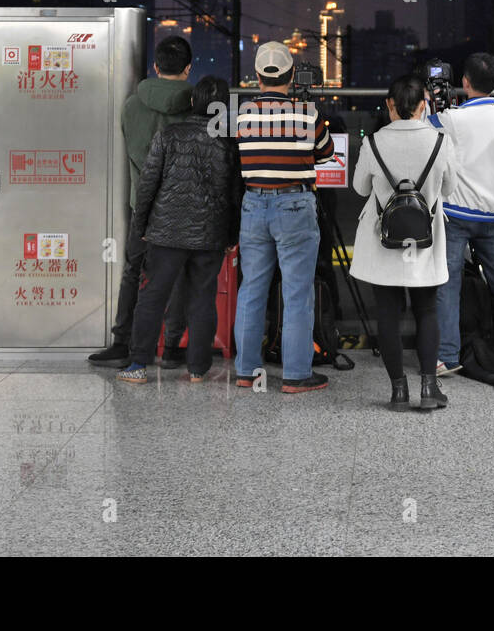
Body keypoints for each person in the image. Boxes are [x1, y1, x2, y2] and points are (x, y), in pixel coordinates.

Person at [118, 76, 241, 383]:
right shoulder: (228, 143)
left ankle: (138, 365)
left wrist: (141, 224)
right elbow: (234, 194)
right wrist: (231, 235)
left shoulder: (169, 134)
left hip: (166, 230)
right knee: (202, 297)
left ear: (191, 103)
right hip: (209, 234)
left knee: (153, 295)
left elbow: (148, 184)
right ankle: (198, 369)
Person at [233, 41, 335, 393]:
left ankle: (246, 371)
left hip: (253, 206)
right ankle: (295, 374)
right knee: (296, 292)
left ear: (258, 78)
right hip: (295, 205)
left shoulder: (243, 114)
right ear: (291, 76)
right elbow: (326, 152)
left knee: (251, 290)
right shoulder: (307, 114)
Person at [351, 74, 457, 409]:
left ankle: (398, 391)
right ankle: (429, 388)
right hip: (425, 240)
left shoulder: (374, 143)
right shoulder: (441, 142)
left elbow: (360, 189)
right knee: (427, 310)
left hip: (384, 240)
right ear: (423, 106)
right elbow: (449, 190)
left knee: (388, 314)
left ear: (390, 106)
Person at [89, 35, 193, 368]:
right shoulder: (195, 106)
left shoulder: (132, 105)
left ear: (156, 67)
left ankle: (122, 342)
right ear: (187, 69)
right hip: (182, 206)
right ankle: (173, 347)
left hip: (142, 203)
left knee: (134, 271)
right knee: (178, 273)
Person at [430, 52, 494, 374]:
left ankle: (447, 356)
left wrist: (434, 101)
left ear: (465, 82)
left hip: (456, 214)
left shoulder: (452, 119)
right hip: (493, 216)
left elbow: (427, 129)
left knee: (449, 283)